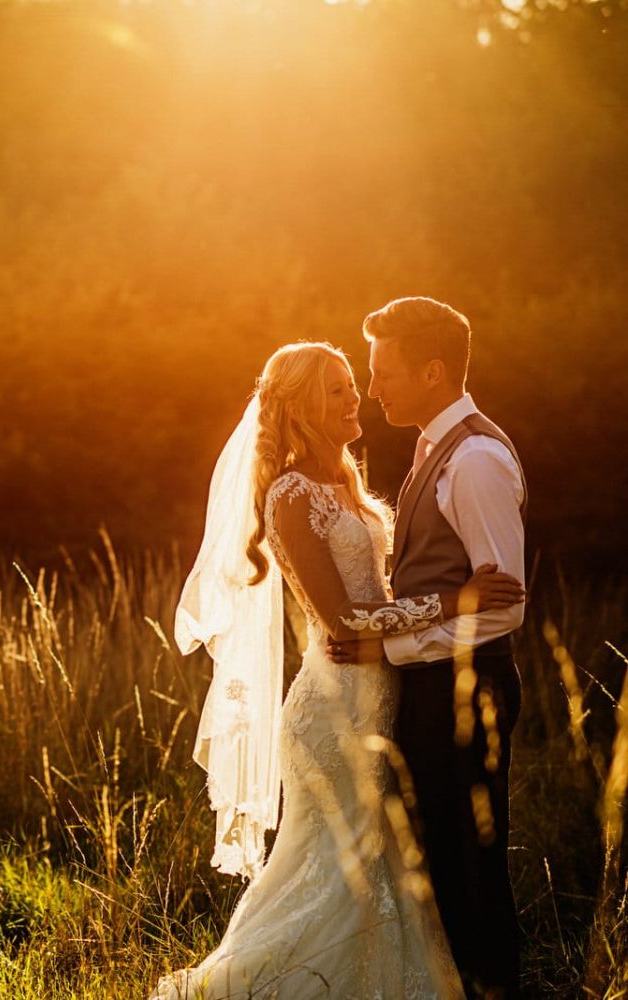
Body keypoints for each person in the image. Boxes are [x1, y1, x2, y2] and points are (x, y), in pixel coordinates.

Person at [154, 339, 525, 999]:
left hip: (383, 688)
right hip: (334, 707)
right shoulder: (291, 495)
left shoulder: (346, 481)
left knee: (375, 860)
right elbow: (346, 621)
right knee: (334, 864)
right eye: (336, 389)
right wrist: (456, 599)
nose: (355, 397)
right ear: (299, 406)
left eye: (353, 383)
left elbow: (376, 601)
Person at [328, 297, 527, 999]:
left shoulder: (473, 458)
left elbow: (501, 606)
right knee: (437, 858)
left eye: (384, 372)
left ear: (434, 370)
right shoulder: (432, 447)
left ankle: (493, 988)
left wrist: (398, 643)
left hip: (466, 685)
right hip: (430, 685)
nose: (373, 387)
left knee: (470, 862)